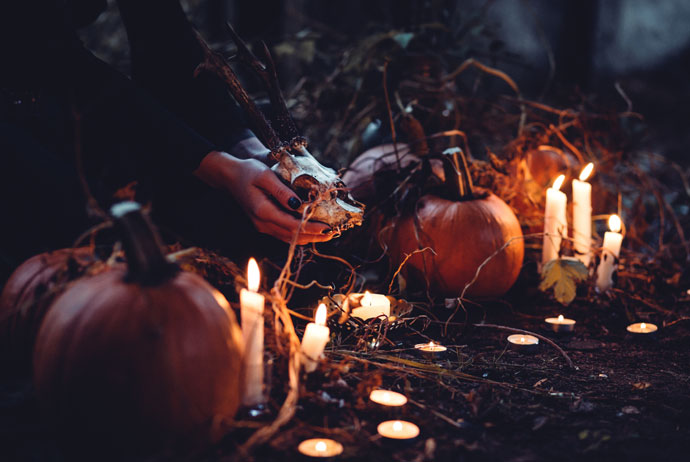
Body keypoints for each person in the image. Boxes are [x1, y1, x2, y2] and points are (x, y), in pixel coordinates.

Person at [0, 0, 333, 277]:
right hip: (26, 115)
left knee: (226, 219)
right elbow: (61, 65)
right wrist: (218, 166)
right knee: (98, 243)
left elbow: (163, 38)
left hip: (75, 98)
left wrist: (246, 148)